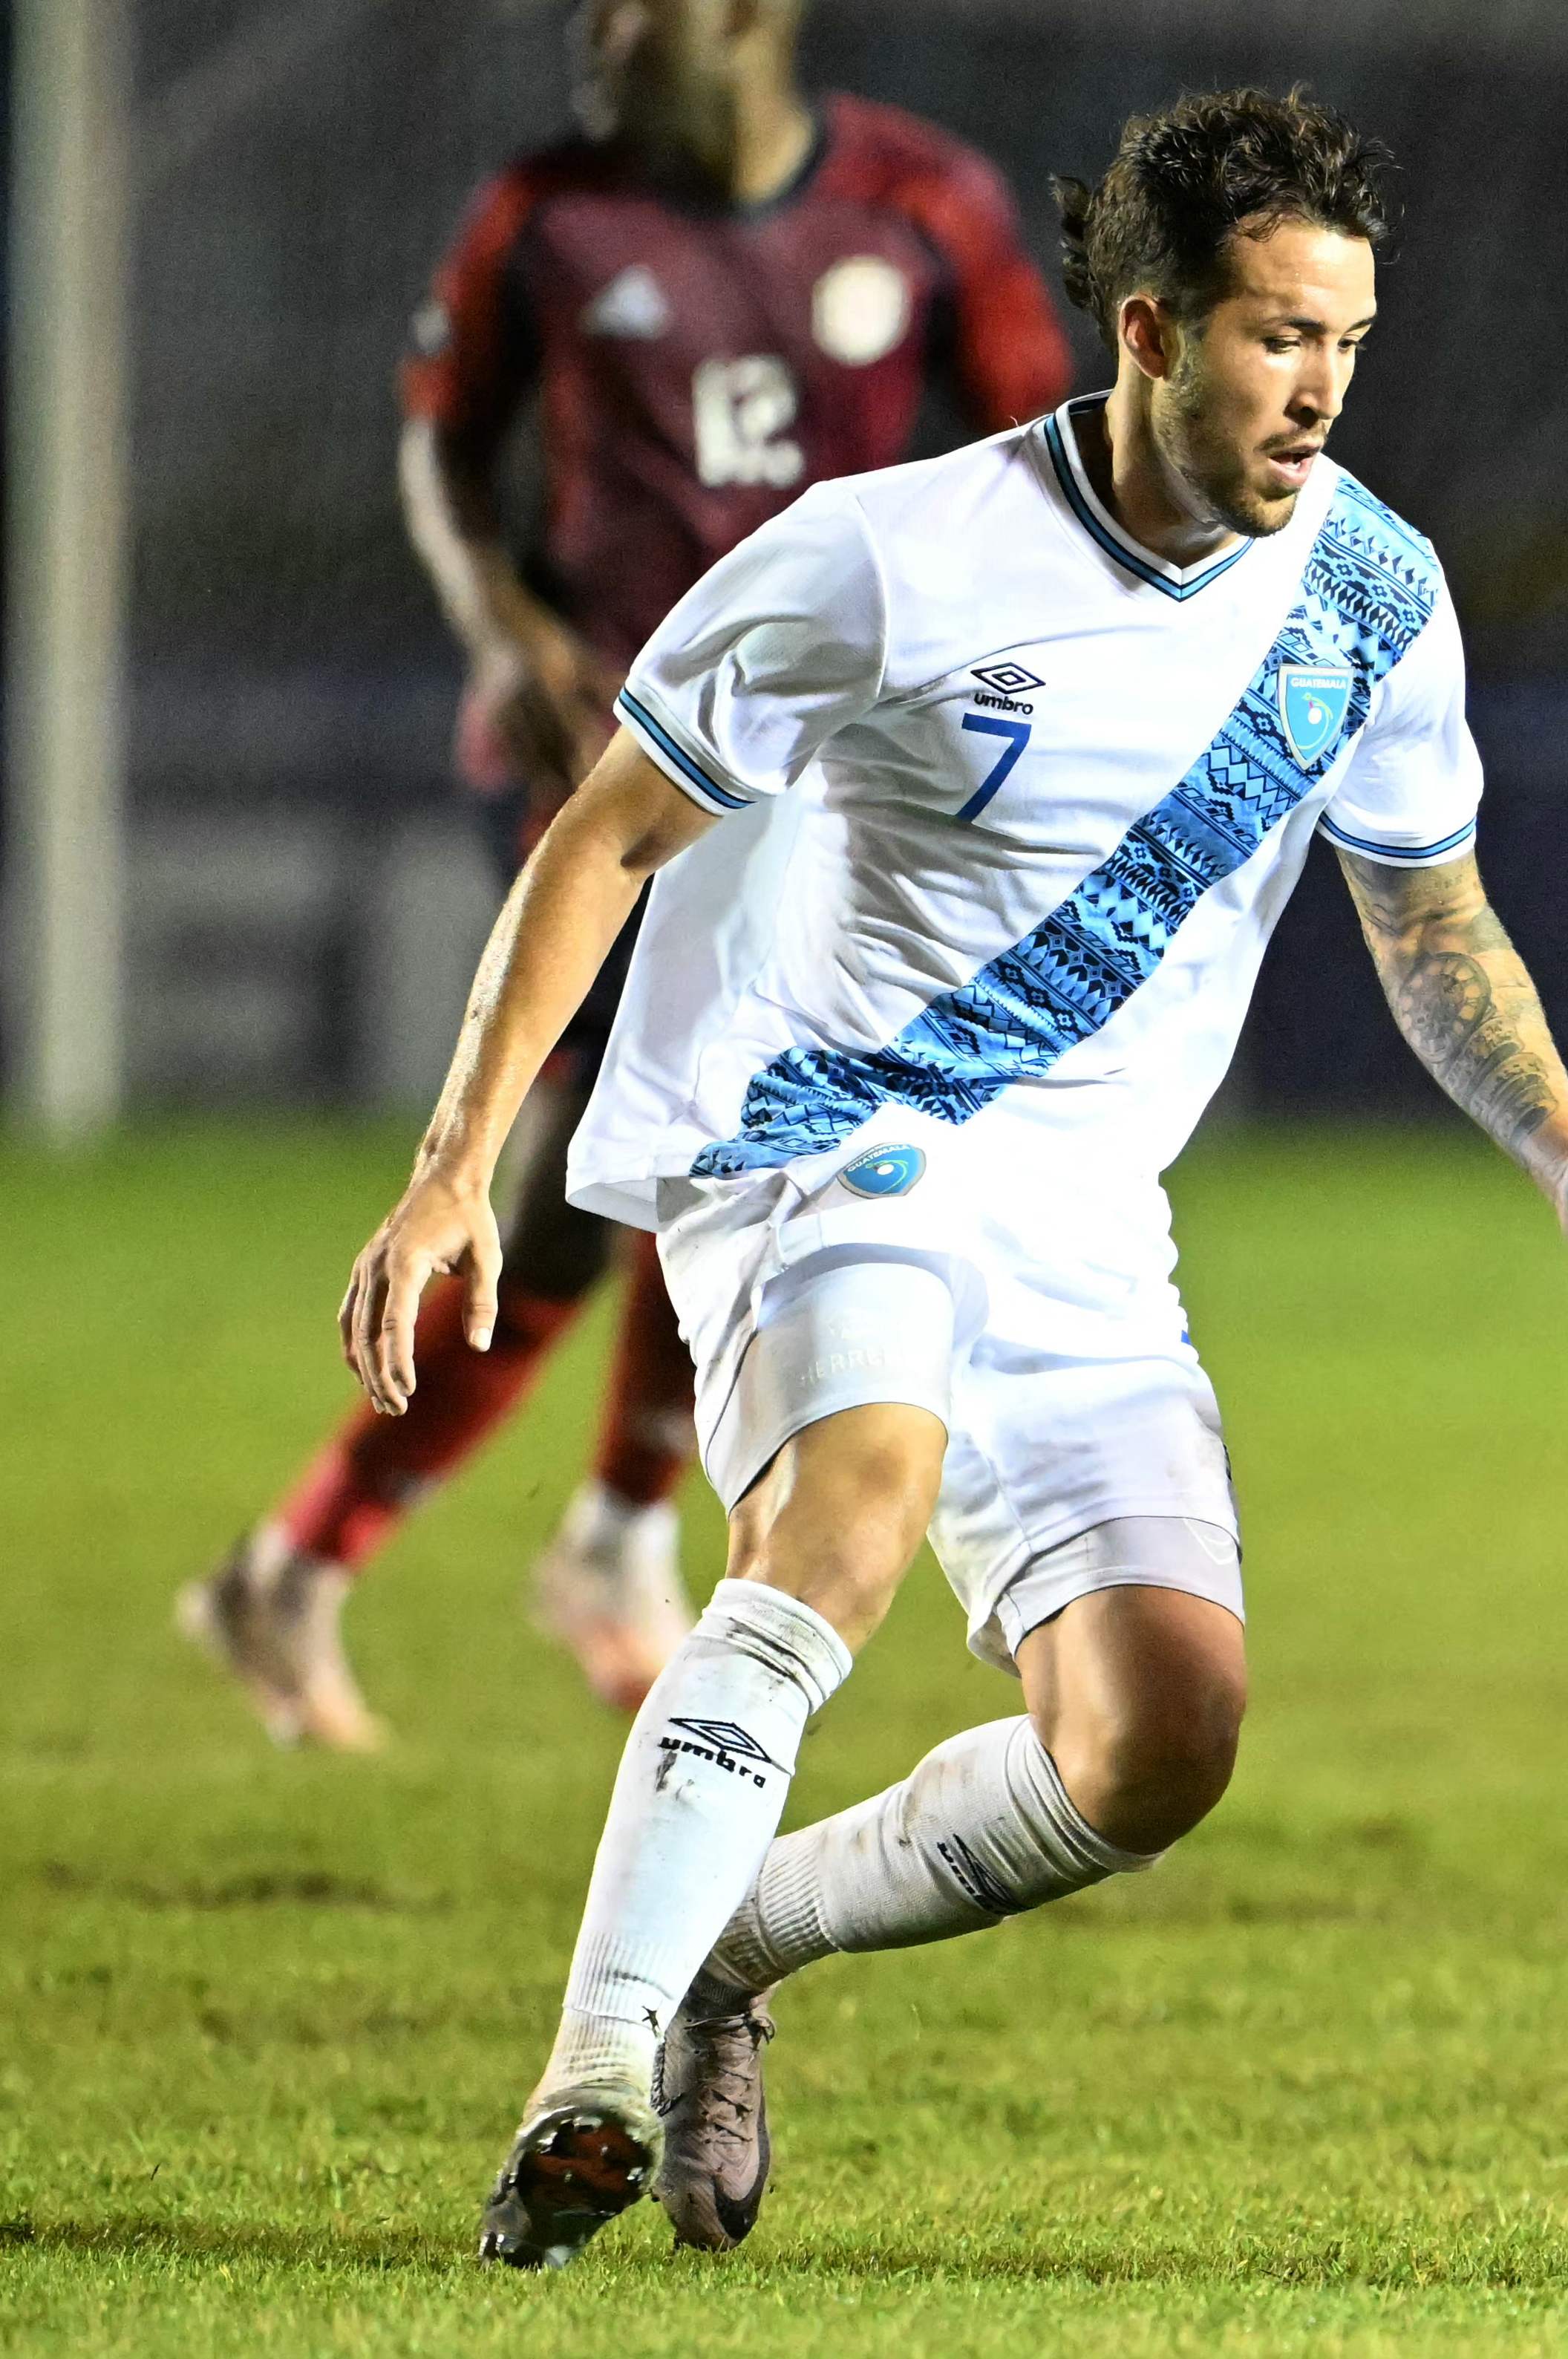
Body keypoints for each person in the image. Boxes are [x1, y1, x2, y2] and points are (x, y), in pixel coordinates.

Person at [329, 88, 1568, 2267]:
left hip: (1087, 1201)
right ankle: (596, 2060)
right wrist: (450, 1174)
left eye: (1348, 343)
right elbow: (608, 827)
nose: (1322, 391)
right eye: (1279, 338)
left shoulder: (1367, 590)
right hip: (826, 1128)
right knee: (852, 1512)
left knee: (1161, 1733)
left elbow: (1431, 915)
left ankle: (732, 1947)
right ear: (1148, 328)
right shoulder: (888, 556)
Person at [180, 0, 1071, 1748]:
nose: (592, 27)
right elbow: (442, 448)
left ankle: (523, 1541)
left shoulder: (922, 205)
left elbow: (1042, 463)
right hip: (604, 759)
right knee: (602, 1193)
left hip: (822, 779)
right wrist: (503, 628)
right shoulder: (545, 216)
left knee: (704, 1164)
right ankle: (396, 1554)